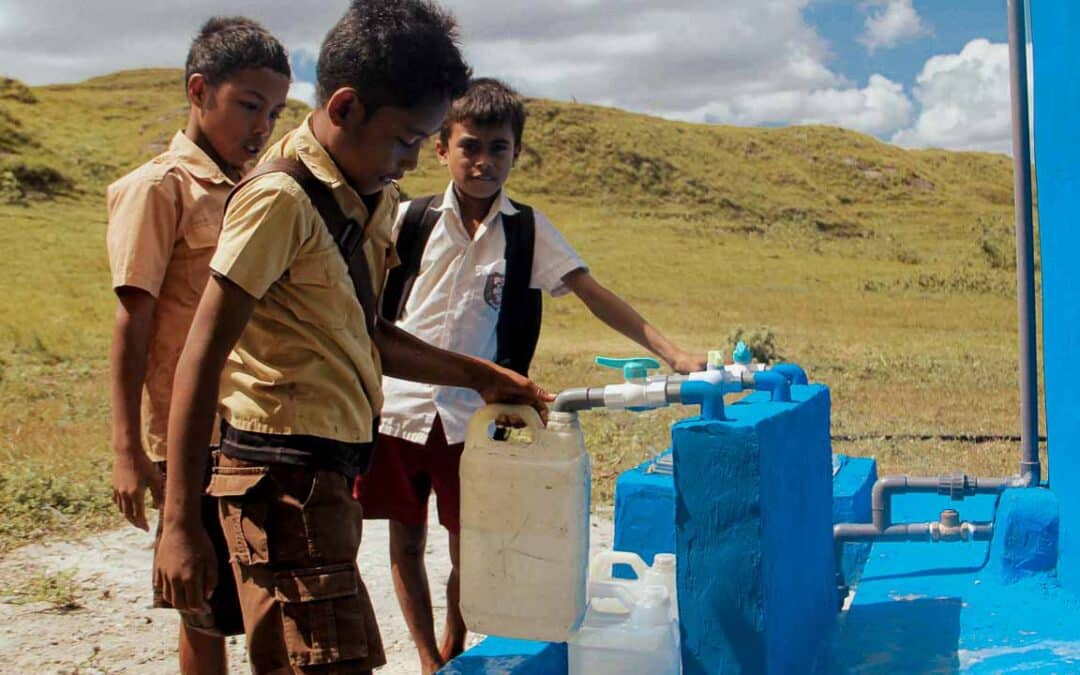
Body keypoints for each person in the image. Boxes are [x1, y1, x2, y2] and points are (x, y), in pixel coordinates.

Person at [152, 3, 550, 674]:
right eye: (403, 140)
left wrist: (480, 375)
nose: (412, 159)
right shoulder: (280, 199)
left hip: (326, 480)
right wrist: (178, 525)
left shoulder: (368, 194)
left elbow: (366, 330)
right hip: (279, 479)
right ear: (344, 107)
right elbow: (201, 355)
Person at [358, 77, 707, 672]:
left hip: (478, 420)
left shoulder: (526, 231)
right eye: (470, 146)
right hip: (397, 409)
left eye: (499, 148)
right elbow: (366, 302)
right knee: (405, 538)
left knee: (472, 547)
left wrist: (672, 353)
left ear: (516, 153)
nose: (484, 161)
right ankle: (425, 661)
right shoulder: (408, 219)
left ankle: (453, 646)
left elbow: (593, 294)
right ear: (442, 149)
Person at [105, 16, 290, 674]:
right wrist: (128, 449)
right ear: (198, 90)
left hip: (254, 422)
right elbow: (133, 323)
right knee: (202, 601)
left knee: (265, 593)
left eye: (273, 112)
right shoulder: (159, 188)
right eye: (247, 105)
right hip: (194, 433)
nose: (261, 126)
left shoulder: (253, 189)